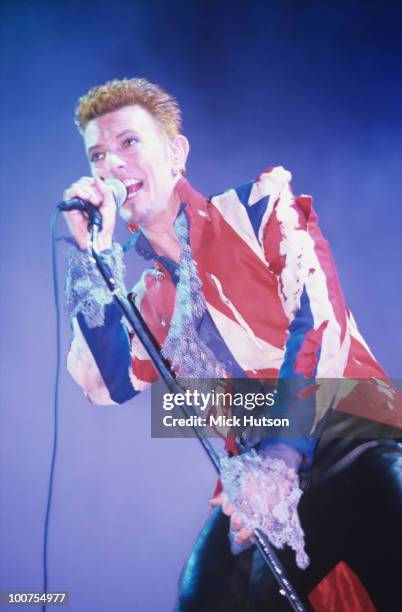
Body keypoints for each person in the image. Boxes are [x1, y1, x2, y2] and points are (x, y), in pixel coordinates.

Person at [63, 78, 402, 611]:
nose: (112, 164)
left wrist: (282, 456)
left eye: (129, 143)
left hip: (345, 429)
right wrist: (91, 256)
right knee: (203, 597)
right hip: (252, 478)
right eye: (98, 154)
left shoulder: (257, 207)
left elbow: (317, 320)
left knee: (387, 506)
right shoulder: (147, 297)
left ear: (175, 153)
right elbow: (106, 384)